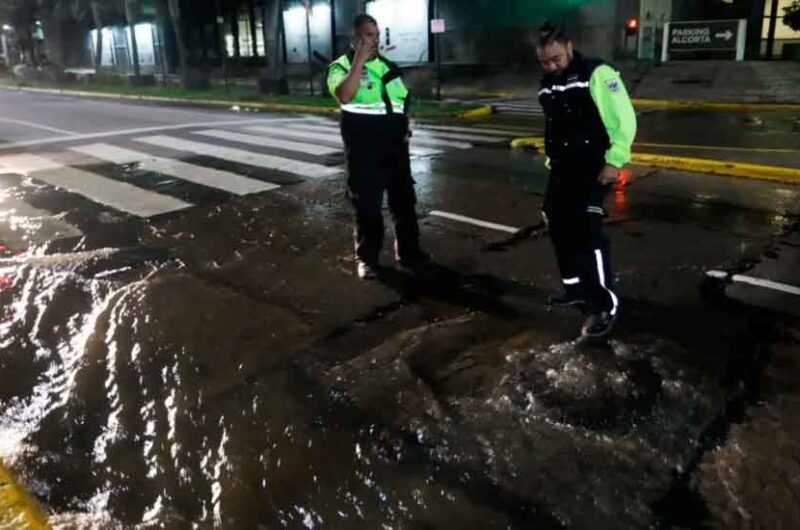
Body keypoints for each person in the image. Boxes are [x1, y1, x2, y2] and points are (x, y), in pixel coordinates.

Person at [536, 22, 637, 337]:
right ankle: (574, 288)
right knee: (556, 220)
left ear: (568, 47)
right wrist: (552, 161)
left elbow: (624, 119)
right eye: (545, 61)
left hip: (595, 167)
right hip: (564, 169)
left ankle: (603, 305)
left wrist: (614, 161)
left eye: (556, 58)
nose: (551, 66)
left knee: (587, 232)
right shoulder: (548, 84)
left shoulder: (597, 73)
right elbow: (554, 128)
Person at [327, 14, 428, 280]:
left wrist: (405, 123)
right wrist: (359, 60)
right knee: (368, 205)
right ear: (355, 39)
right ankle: (367, 259)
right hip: (364, 148)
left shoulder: (387, 66)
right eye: (368, 35)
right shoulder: (340, 67)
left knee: (404, 202)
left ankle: (409, 253)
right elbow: (345, 94)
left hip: (395, 146)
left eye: (376, 35)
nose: (375, 40)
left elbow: (400, 101)